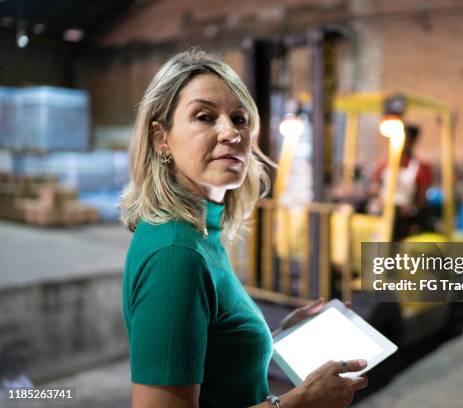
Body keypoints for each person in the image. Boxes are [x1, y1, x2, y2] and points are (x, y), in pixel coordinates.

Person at [120, 49, 368, 408]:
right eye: (204, 117)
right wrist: (301, 402)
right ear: (162, 138)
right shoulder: (177, 255)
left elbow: (211, 354)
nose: (231, 133)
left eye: (239, 119)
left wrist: (270, 334)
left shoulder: (201, 232)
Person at [368, 124, 433, 240]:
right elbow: (375, 187)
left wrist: (411, 208)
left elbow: (422, 201)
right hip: (382, 208)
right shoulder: (383, 164)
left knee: (394, 216)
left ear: (412, 141)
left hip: (404, 216)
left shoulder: (420, 168)